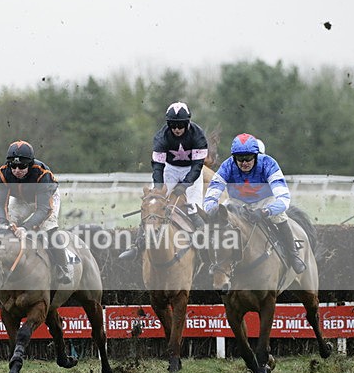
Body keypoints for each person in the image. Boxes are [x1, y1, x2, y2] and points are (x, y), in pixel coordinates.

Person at [203, 133, 306, 274]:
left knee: (279, 217)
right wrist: (212, 211)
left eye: (248, 158)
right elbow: (211, 195)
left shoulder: (269, 163)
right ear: (234, 157)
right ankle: (213, 259)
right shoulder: (227, 166)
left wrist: (266, 211)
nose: (244, 162)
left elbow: (283, 200)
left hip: (265, 200)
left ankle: (293, 255)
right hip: (237, 202)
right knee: (219, 220)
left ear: (256, 155)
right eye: (240, 159)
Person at [118, 101, 208, 260]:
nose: (177, 129)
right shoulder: (161, 137)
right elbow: (158, 168)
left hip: (191, 170)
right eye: (173, 125)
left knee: (194, 207)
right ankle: (138, 245)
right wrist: (158, 190)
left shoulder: (198, 135)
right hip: (170, 170)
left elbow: (197, 166)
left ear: (187, 123)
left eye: (180, 125)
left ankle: (206, 248)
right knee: (152, 204)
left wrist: (184, 185)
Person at [0, 141, 71, 284]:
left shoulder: (42, 174)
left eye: (22, 166)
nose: (17, 170)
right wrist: (3, 223)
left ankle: (63, 267)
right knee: (4, 227)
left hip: (47, 199)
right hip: (21, 199)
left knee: (47, 228)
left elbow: (43, 209)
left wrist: (26, 227)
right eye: (13, 166)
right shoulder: (1, 174)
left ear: (30, 164)